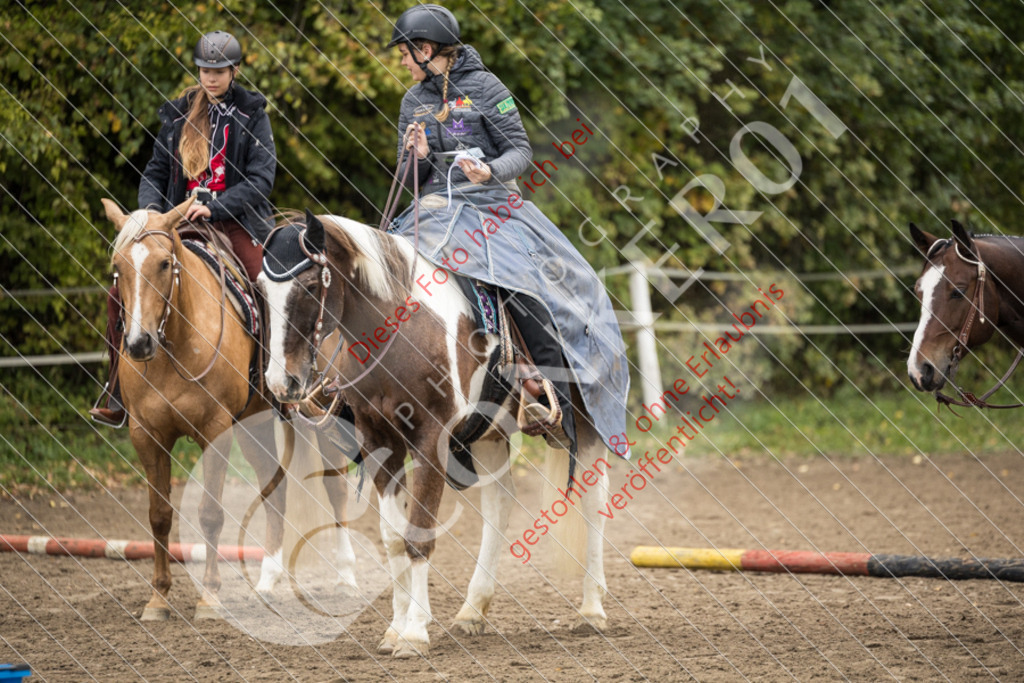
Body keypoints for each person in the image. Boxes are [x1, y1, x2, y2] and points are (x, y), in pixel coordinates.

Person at [385, 5, 630, 459]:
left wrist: (490, 171)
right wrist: (415, 157)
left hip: (491, 206)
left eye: (405, 53)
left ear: (426, 49)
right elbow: (408, 179)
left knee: (522, 283)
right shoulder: (411, 102)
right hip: (434, 211)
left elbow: (520, 151)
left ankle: (549, 392)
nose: (401, 62)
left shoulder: (488, 88)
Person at [91, 30, 277, 426]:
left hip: (235, 222)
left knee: (267, 287)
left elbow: (261, 179)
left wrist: (214, 207)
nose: (211, 78)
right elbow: (154, 173)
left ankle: (273, 384)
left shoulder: (253, 114)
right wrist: (153, 217)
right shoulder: (178, 115)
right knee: (117, 294)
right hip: (174, 224)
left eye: (219, 71)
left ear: (234, 71)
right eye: (205, 70)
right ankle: (118, 391)